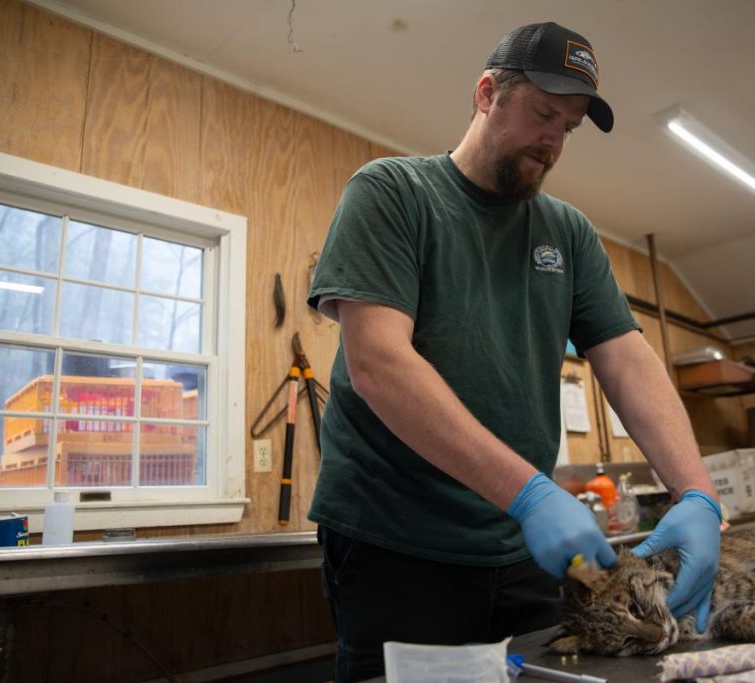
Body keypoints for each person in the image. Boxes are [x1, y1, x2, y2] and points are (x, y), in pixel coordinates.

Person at [307, 21, 721, 682]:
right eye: (542, 113)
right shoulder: (392, 194)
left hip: (521, 545)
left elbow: (626, 359)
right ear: (486, 93)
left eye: (570, 125)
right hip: (397, 542)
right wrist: (529, 491)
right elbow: (379, 364)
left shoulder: (570, 233)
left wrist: (696, 492)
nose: (554, 138)